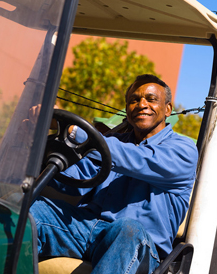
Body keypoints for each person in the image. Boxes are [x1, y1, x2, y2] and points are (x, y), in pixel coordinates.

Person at [31, 74, 198, 274]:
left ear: (167, 109)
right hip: (86, 229)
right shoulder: (108, 142)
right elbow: (72, 181)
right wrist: (39, 148)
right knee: (29, 207)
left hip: (140, 245)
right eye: (134, 100)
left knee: (127, 229)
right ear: (127, 110)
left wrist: (75, 130)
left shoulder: (183, 150)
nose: (141, 104)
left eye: (151, 99)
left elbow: (137, 159)